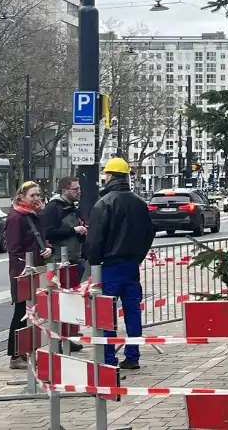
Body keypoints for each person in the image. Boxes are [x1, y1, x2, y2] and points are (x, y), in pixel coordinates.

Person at [85, 157, 154, 370]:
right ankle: (132, 355)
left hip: (109, 266)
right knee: (133, 311)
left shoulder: (104, 203)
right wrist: (138, 257)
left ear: (109, 176)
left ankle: (108, 359)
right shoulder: (140, 204)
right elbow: (148, 234)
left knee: (107, 314)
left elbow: (95, 239)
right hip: (131, 265)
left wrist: (94, 263)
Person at [5, 181, 52, 370]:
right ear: (21, 197)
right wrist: (26, 267)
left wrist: (48, 248)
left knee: (29, 313)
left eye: (38, 195)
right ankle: (16, 354)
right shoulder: (17, 218)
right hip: (23, 273)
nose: (36, 199)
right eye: (32, 195)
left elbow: (41, 239)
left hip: (35, 268)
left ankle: (25, 352)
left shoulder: (33, 216)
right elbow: (14, 249)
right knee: (21, 313)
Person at [40, 176, 86, 353]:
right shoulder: (53, 208)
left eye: (78, 188)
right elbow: (50, 232)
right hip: (60, 260)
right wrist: (74, 230)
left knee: (71, 301)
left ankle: (69, 337)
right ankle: (58, 340)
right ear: (64, 191)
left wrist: (81, 231)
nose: (78, 192)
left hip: (73, 257)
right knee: (60, 301)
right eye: (75, 189)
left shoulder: (72, 207)